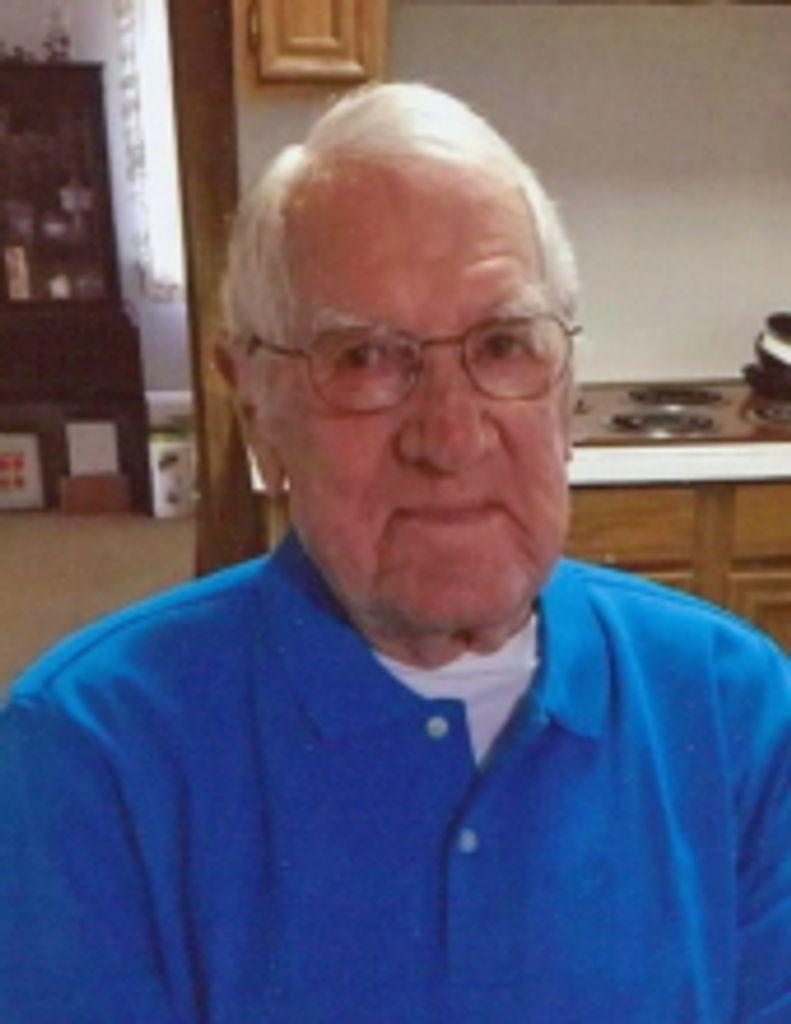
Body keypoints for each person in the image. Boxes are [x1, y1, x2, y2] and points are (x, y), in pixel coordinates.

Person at [1, 82, 789, 1024]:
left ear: (564, 388)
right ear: (256, 408)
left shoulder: (734, 705)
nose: (449, 437)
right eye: (365, 358)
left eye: (503, 345)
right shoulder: (85, 754)